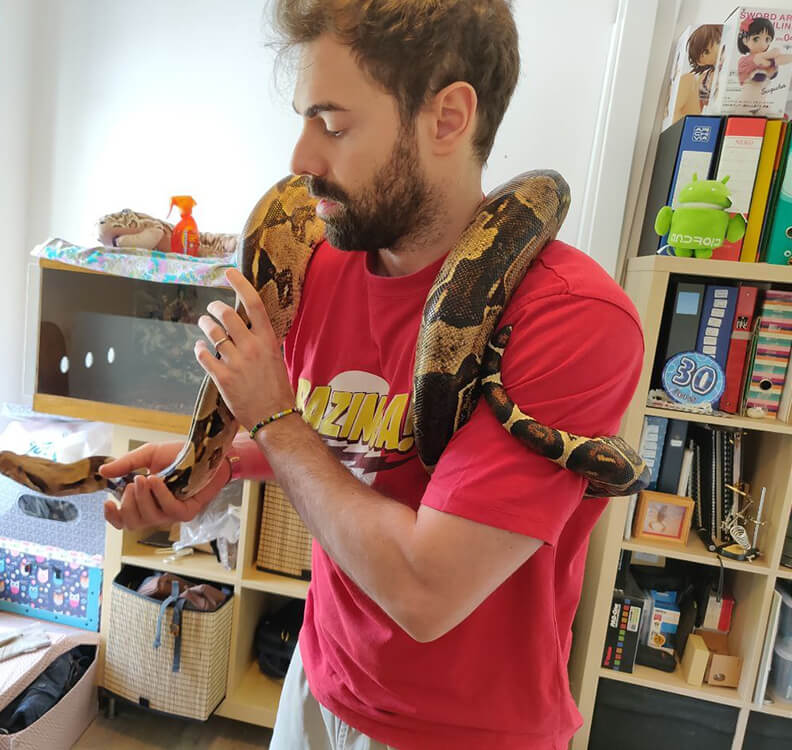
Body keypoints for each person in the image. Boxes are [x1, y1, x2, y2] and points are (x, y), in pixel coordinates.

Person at [100, 1, 644, 748]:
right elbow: (353, 447)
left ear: (448, 117)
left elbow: (426, 590)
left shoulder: (570, 317)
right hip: (321, 683)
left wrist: (271, 418)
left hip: (464, 732)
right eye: (302, 119)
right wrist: (221, 466)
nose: (300, 158)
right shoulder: (318, 264)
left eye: (333, 122)